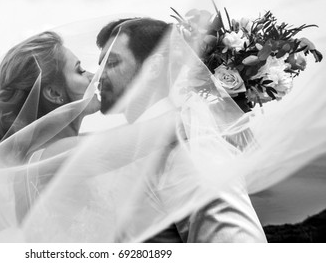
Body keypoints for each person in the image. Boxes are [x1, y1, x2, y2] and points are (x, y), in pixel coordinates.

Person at [94, 18, 266, 242]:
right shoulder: (135, 145)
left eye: (112, 63)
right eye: (100, 65)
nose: (98, 76)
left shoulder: (189, 147)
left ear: (153, 67)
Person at [0, 30, 101, 242]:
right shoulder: (61, 154)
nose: (94, 76)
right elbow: (153, 136)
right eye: (80, 70)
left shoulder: (35, 157)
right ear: (54, 93)